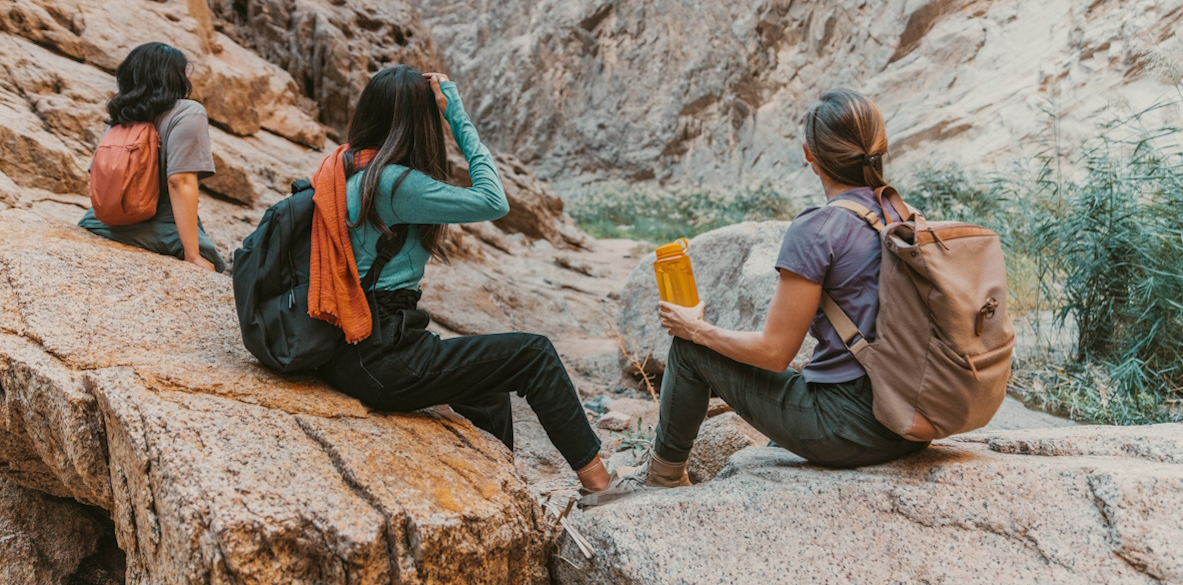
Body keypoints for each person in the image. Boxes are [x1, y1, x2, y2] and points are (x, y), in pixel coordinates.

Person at [582, 88, 929, 505]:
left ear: (808, 154)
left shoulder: (819, 228)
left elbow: (773, 353)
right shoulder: (900, 215)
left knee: (692, 351)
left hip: (852, 428)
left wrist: (696, 329)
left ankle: (663, 476)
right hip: (911, 420)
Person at [313, 65, 613, 493]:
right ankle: (600, 485)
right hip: (381, 358)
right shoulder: (395, 183)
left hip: (355, 349)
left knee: (486, 384)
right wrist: (456, 115)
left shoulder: (353, 168)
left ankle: (500, 477)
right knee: (534, 354)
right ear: (419, 122)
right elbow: (494, 200)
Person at [79, 42, 224, 272]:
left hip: (96, 223)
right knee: (215, 263)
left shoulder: (120, 118)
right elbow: (180, 181)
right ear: (175, 77)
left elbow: (96, 177)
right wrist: (193, 256)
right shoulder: (187, 112)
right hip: (157, 228)